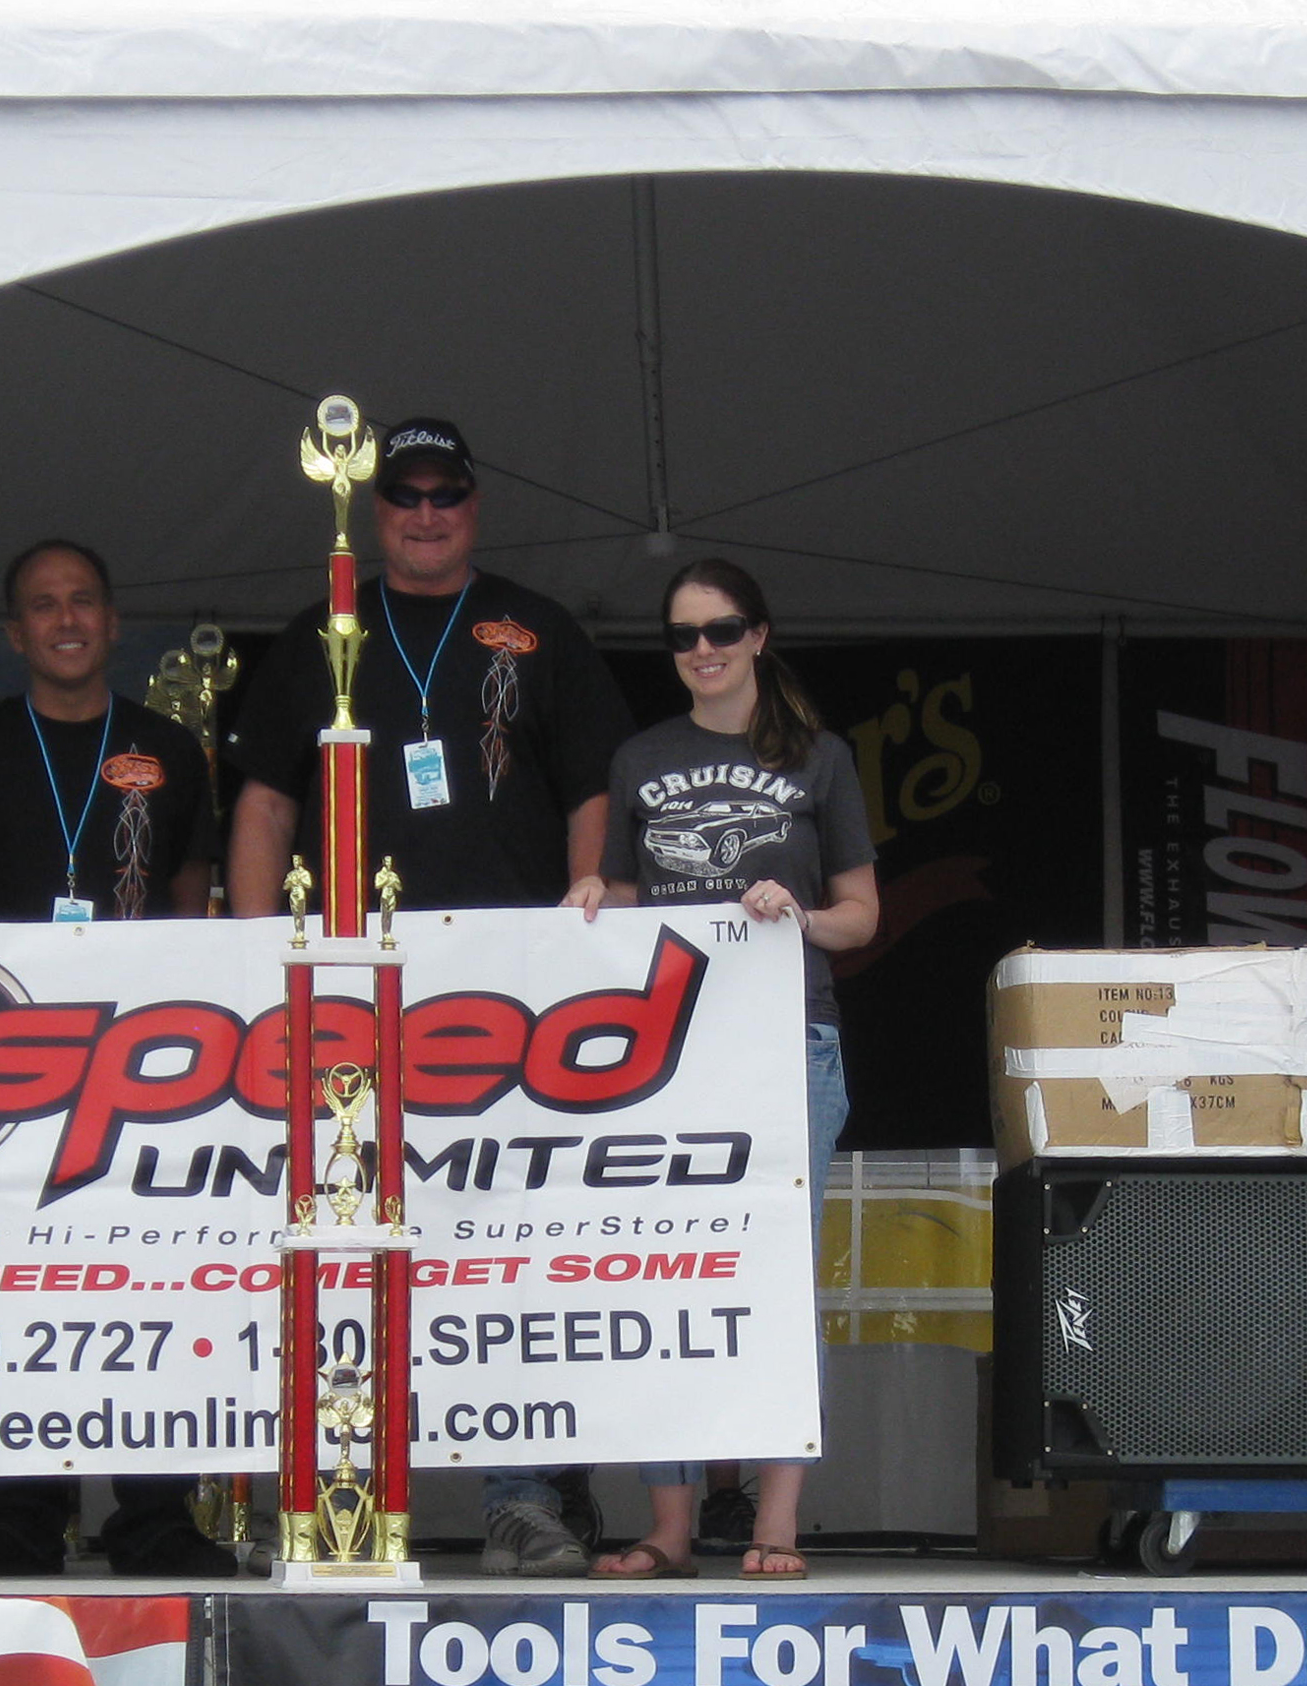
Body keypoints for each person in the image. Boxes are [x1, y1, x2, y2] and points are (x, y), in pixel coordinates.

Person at [225, 416, 634, 1575]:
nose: (421, 513)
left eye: (442, 493)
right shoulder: (321, 631)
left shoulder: (538, 628)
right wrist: (255, 954)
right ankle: (316, 1490)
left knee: (516, 1236)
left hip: (514, 984)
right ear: (376, 507)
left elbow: (592, 790)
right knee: (334, 1226)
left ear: (474, 503)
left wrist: (581, 924)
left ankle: (527, 1498)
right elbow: (265, 799)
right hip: (349, 982)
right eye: (401, 494)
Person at [0, 538, 231, 1578]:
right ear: (16, 632)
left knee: (150, 1280)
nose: (66, 619)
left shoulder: (168, 748)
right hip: (8, 1058)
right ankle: (19, 1515)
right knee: (17, 1285)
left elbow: (190, 909)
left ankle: (155, 1513)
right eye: (44, 605)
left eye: (83, 600)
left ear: (113, 620)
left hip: (144, 1058)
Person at [566, 556, 879, 1582]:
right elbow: (626, 892)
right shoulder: (640, 756)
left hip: (788, 1037)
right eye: (682, 635)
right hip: (669, 1047)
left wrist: (798, 915)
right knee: (660, 1272)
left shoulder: (819, 757)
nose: (702, 650)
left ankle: (776, 1524)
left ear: (758, 635)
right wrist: (594, 895)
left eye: (720, 630)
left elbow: (862, 915)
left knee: (780, 1278)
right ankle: (667, 1524)